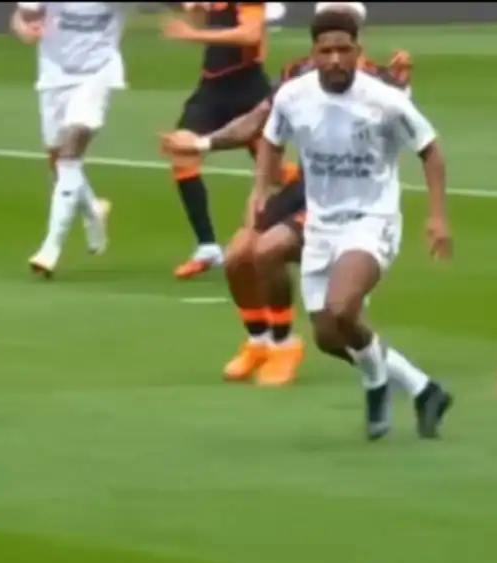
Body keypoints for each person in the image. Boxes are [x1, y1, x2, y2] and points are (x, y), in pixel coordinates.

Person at [160, 6, 412, 387]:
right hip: (304, 186)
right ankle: (258, 341)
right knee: (237, 257)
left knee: (271, 253)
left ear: (356, 35)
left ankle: (285, 345)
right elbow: (258, 119)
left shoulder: (377, 80)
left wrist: (404, 87)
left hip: (347, 200)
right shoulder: (296, 73)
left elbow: (407, 130)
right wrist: (201, 141)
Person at [251, 10, 452, 439]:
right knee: (328, 336)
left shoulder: (384, 100)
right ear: (314, 54)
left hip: (371, 219)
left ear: (359, 52)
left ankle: (376, 384)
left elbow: (430, 149)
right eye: (327, 51)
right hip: (321, 224)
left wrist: (437, 217)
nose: (336, 59)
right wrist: (260, 189)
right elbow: (270, 139)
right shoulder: (294, 96)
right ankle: (423, 388)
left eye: (345, 50)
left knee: (344, 308)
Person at [164, 1, 299, 279]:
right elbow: (214, 25)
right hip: (211, 90)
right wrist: (199, 13)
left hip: (247, 91)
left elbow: (250, 35)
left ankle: (312, 213)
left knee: (274, 173)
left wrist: (193, 35)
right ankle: (207, 247)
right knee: (181, 151)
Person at [13, 2, 126, 278]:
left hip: (96, 77)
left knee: (69, 155)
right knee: (56, 157)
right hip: (53, 77)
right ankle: (93, 209)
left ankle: (50, 249)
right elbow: (21, 16)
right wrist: (25, 28)